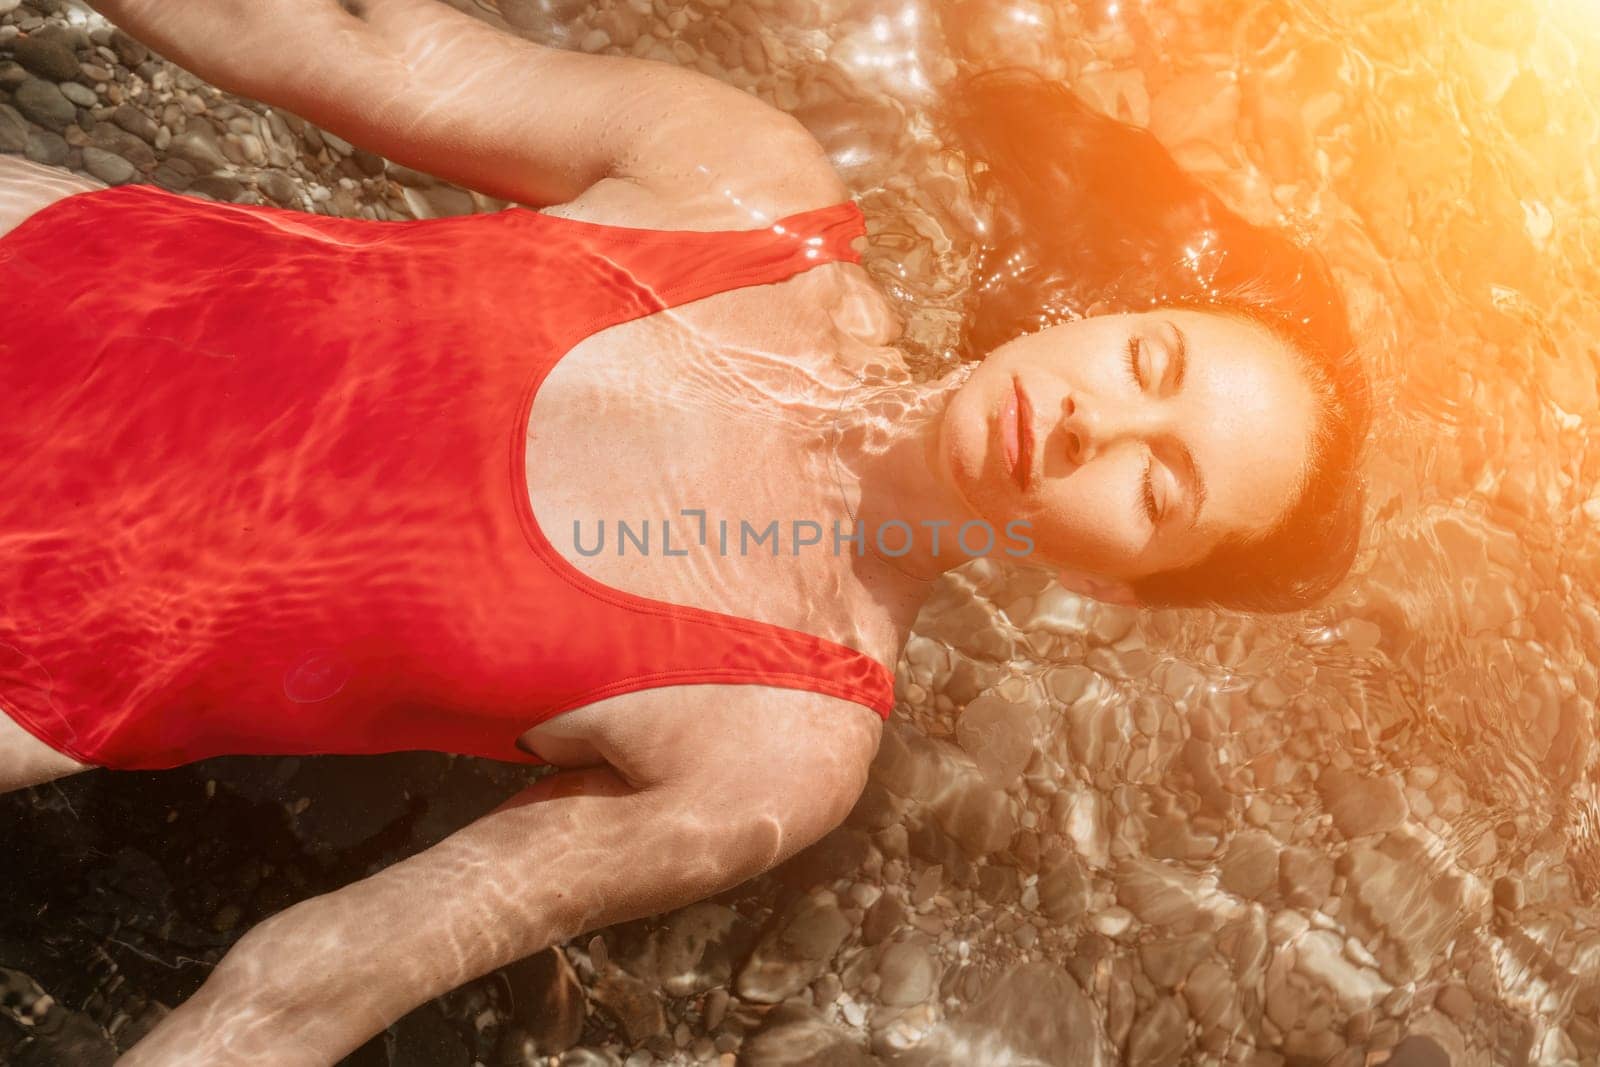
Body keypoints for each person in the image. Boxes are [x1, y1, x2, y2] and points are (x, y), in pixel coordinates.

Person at [0, 0, 1370, 1062]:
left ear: (1115, 587)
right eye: (1150, 364)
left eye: (1158, 488)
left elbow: (314, 979)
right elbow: (344, 42)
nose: (1096, 427)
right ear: (1110, 314)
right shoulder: (743, 186)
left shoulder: (781, 737)